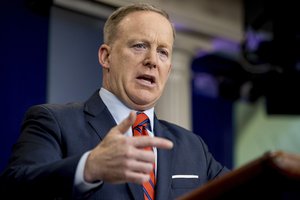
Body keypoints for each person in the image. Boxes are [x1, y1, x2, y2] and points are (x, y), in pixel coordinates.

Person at [0, 3, 230, 200]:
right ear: (106, 56)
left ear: (169, 69)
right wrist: (88, 168)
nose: (152, 61)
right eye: (139, 46)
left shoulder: (192, 147)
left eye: (163, 52)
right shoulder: (55, 122)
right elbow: (15, 188)